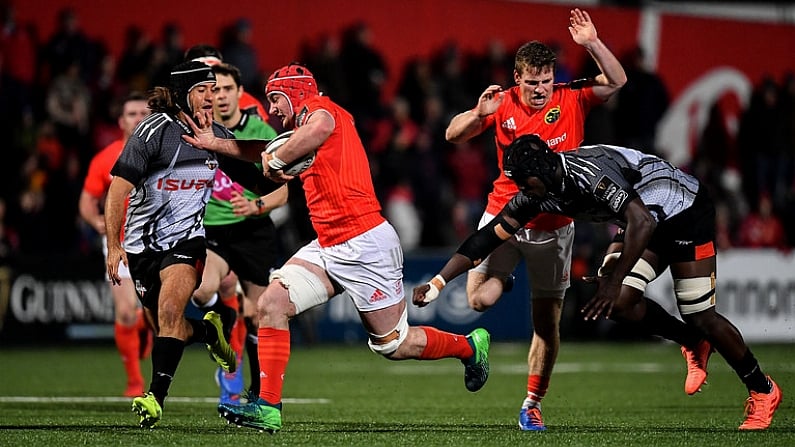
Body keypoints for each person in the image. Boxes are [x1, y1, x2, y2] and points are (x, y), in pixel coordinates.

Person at [184, 63, 491, 433]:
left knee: (395, 346)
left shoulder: (322, 111)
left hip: (366, 244)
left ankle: (470, 347)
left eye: (275, 100)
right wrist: (216, 144)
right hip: (328, 244)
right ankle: (268, 406)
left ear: (295, 93)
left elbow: (315, 130)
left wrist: (276, 160)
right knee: (271, 304)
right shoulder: (302, 128)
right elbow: (266, 150)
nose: (273, 110)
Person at [414, 134, 783, 431]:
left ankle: (762, 389)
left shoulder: (588, 175)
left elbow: (641, 222)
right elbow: (486, 239)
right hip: (644, 217)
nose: (517, 188)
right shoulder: (539, 191)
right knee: (619, 301)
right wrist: (438, 283)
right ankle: (692, 342)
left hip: (683, 210)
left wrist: (612, 279)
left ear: (535, 177)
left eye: (520, 181)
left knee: (699, 313)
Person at [443, 8, 627, 431]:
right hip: (505, 214)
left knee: (546, 323)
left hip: (554, 226)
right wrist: (476, 113)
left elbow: (617, 81)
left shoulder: (571, 95)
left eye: (546, 81)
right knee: (477, 301)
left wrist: (592, 44)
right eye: (532, 82)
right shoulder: (501, 102)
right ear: (517, 78)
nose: (541, 89)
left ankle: (532, 404)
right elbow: (452, 135)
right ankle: (505, 279)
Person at [104, 61, 240, 428]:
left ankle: (154, 398)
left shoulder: (217, 134)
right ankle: (212, 329)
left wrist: (281, 161)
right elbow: (118, 190)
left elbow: (257, 173)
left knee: (167, 313)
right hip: (141, 247)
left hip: (187, 242)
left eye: (215, 90)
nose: (212, 98)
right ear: (182, 95)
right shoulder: (153, 132)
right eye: (204, 91)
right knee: (172, 326)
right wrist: (115, 246)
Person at [190, 61, 287, 407]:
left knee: (259, 316)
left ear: (240, 93)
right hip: (214, 231)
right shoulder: (199, 131)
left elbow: (284, 191)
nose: (221, 96)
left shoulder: (258, 129)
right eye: (214, 89)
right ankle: (223, 322)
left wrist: (257, 205)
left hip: (254, 232)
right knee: (201, 292)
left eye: (228, 89)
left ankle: (261, 392)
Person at [78, 91, 153, 397]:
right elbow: (86, 199)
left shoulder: (162, 153)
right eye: (132, 114)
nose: (138, 118)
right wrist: (96, 220)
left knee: (155, 312)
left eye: (143, 113)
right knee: (124, 311)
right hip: (118, 243)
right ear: (121, 121)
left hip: (154, 242)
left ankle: (144, 324)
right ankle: (135, 382)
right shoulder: (105, 158)